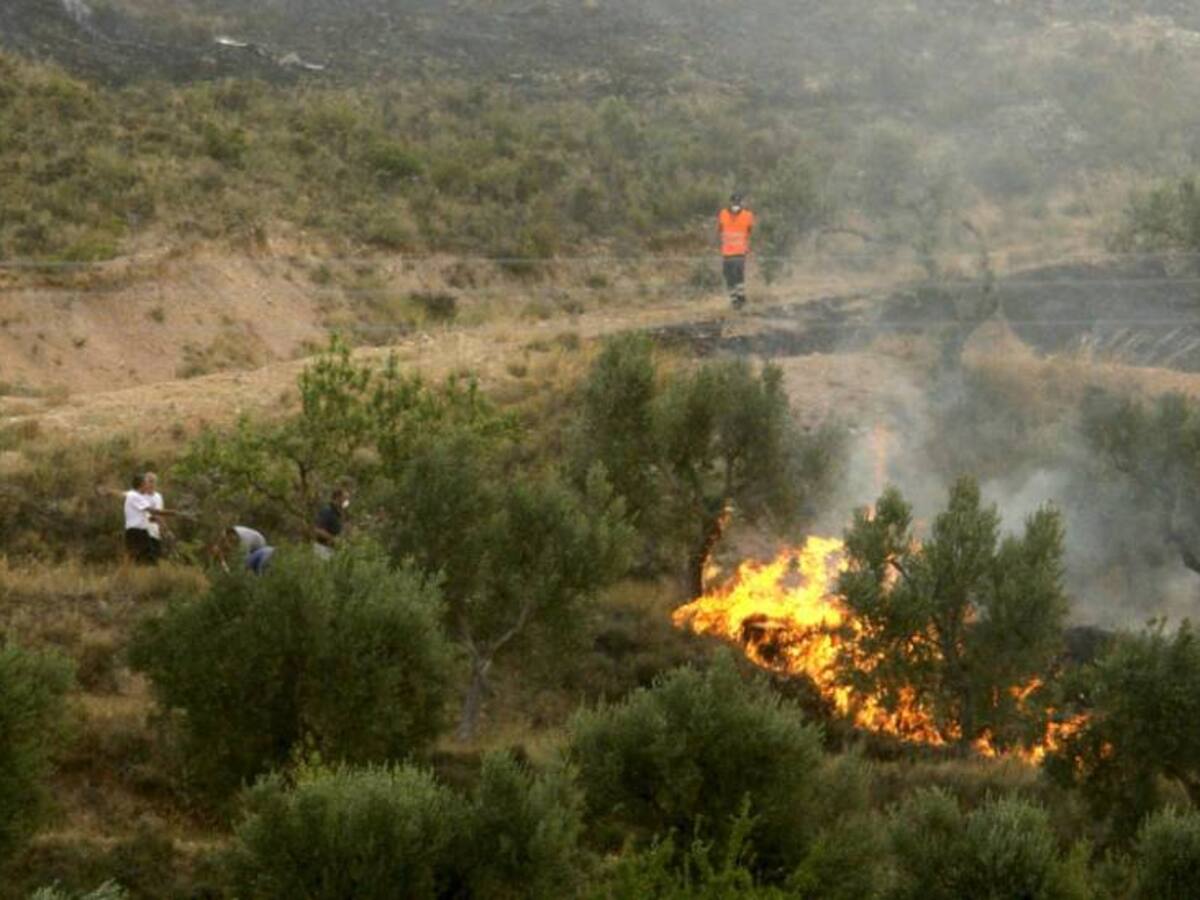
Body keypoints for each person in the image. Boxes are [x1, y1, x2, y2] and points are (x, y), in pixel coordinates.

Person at [122, 471, 180, 564]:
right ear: (143, 483)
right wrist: (174, 513)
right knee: (145, 559)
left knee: (151, 559)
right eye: (148, 481)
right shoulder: (137, 495)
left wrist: (164, 529)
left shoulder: (158, 496)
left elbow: (158, 515)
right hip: (142, 531)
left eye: (153, 481)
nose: (151, 484)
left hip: (153, 532)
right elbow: (154, 512)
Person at [717, 192, 756, 309]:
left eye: (736, 202)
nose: (736, 204)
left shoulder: (723, 213)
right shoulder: (748, 215)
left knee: (731, 277)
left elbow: (719, 230)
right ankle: (739, 297)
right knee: (737, 276)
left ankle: (736, 299)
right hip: (737, 252)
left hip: (732, 252)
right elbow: (750, 231)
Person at [313, 486, 350, 559]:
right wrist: (333, 539)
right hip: (322, 549)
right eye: (344, 498)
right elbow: (318, 530)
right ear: (338, 497)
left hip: (333, 550)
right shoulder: (327, 511)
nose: (346, 501)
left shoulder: (339, 512)